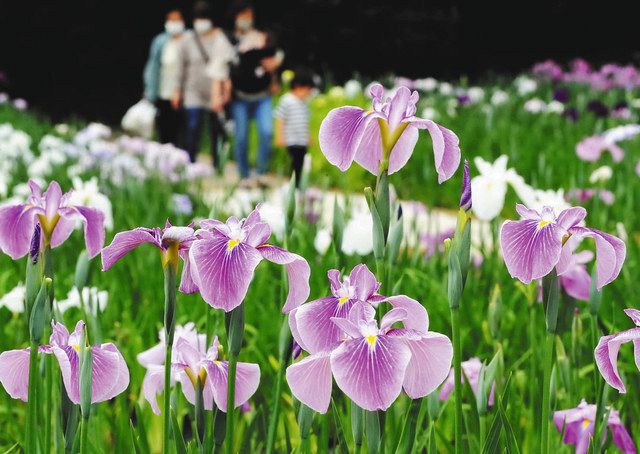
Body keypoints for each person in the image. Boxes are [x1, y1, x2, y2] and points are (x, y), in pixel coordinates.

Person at [173, 0, 235, 166]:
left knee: (216, 130)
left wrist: (225, 90)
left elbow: (227, 66)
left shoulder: (221, 38)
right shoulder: (187, 39)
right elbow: (180, 67)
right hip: (192, 90)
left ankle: (217, 164)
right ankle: (190, 161)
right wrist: (177, 90)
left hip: (214, 92)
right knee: (193, 126)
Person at [228, 1, 284, 184]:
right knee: (241, 136)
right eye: (242, 15)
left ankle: (260, 172)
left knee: (267, 131)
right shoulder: (229, 39)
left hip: (262, 96)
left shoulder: (262, 37)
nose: (246, 19)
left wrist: (274, 74)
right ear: (235, 16)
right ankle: (244, 175)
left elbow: (273, 60)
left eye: (249, 15)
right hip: (240, 97)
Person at [143, 9, 186, 145]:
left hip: (183, 94)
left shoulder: (189, 40)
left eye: (177, 20)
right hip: (163, 91)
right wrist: (150, 91)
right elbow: (153, 66)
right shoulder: (160, 41)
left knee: (180, 128)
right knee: (164, 126)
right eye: (171, 20)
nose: (174, 24)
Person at [274, 71, 315, 188]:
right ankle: (292, 185)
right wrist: (279, 136)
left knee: (301, 163)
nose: (308, 94)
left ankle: (298, 184)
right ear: (298, 87)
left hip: (302, 140)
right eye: (307, 90)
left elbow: (305, 121)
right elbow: (280, 119)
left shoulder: (305, 103)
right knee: (294, 163)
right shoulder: (286, 100)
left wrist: (308, 137)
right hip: (291, 140)